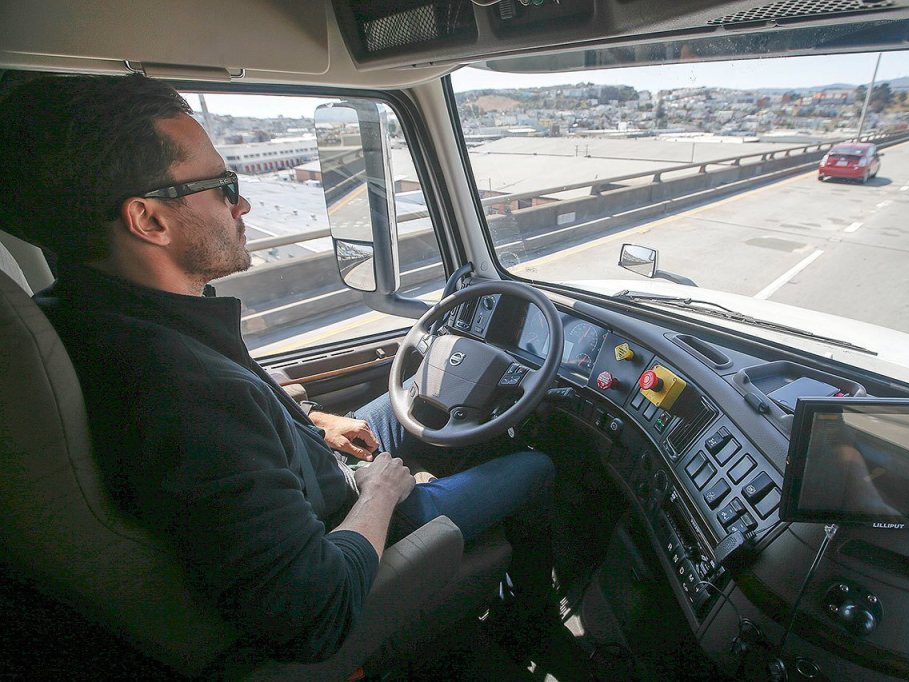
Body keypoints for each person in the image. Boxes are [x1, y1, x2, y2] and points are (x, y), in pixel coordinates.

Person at [0, 73, 557, 664]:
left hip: (317, 471)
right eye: (224, 186)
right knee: (537, 465)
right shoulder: (185, 392)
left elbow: (240, 432)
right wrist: (381, 493)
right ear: (149, 221)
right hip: (348, 518)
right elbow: (314, 614)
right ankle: (529, 630)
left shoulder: (87, 314)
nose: (242, 204)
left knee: (413, 393)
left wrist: (314, 422)